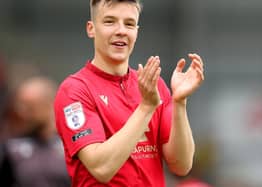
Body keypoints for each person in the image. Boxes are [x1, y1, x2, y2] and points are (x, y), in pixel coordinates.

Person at [54, 0, 204, 186]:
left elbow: (181, 165)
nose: (121, 31)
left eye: (129, 24)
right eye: (110, 22)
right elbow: (101, 168)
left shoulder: (154, 85)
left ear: (136, 32)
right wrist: (146, 107)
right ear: (91, 29)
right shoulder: (75, 90)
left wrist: (180, 102)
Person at [0, 76, 70, 187]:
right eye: (20, 106)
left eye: (30, 107)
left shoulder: (74, 147)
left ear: (50, 104)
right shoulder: (11, 149)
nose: (22, 112)